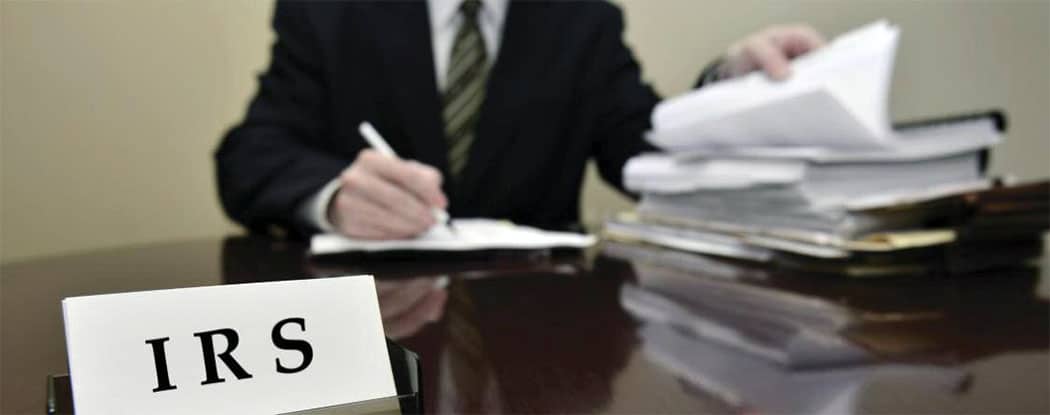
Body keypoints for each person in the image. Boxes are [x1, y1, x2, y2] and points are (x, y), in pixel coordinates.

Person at [215, 0, 825, 240]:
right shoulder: (329, 12)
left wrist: (728, 86)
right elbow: (250, 155)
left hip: (540, 324)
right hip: (378, 325)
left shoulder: (583, 21)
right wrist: (335, 195)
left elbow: (647, 155)